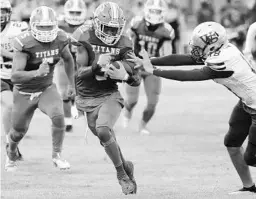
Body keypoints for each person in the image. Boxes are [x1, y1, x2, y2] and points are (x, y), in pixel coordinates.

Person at [129, 21, 256, 194]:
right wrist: (149, 61)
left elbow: (191, 75)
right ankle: (249, 187)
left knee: (253, 158)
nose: (195, 48)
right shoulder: (221, 49)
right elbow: (185, 58)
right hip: (247, 102)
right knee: (232, 143)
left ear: (213, 45)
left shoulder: (225, 59)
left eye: (200, 45)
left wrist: (154, 70)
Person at [71, 1, 140, 195]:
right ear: (96, 23)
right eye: (107, 29)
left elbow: (135, 76)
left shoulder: (125, 41)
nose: (110, 34)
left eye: (114, 29)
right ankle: (125, 166)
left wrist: (124, 75)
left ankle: (121, 175)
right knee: (107, 137)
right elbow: (77, 74)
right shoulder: (84, 35)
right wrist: (96, 67)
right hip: (86, 97)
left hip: (110, 94)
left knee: (103, 130)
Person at [5, 6, 75, 172]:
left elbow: (68, 59)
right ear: (33, 25)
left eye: (49, 26)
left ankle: (57, 156)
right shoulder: (25, 43)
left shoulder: (60, 38)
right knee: (17, 132)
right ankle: (11, 152)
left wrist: (71, 83)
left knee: (58, 116)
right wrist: (36, 72)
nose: (45, 31)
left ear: (55, 25)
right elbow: (15, 76)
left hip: (46, 88)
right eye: (42, 26)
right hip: (23, 92)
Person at [123, 0, 174, 135]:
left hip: (152, 67)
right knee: (132, 100)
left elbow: (168, 53)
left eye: (158, 11)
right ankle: (127, 113)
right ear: (147, 11)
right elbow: (126, 41)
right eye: (153, 11)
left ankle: (142, 126)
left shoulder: (166, 30)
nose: (155, 14)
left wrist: (159, 64)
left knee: (152, 103)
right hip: (135, 65)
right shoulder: (137, 23)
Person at [1, 0, 27, 162]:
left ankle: (13, 145)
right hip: (1, 77)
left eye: (3, 11)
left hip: (18, 77)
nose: (0, 14)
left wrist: (5, 52)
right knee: (10, 105)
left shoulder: (19, 28)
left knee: (20, 116)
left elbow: (25, 53)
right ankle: (8, 143)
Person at [54, 0, 87, 132]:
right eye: (72, 12)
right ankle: (68, 122)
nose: (74, 15)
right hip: (63, 61)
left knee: (83, 91)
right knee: (64, 93)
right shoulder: (58, 24)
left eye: (77, 12)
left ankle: (78, 109)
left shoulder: (89, 26)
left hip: (82, 63)